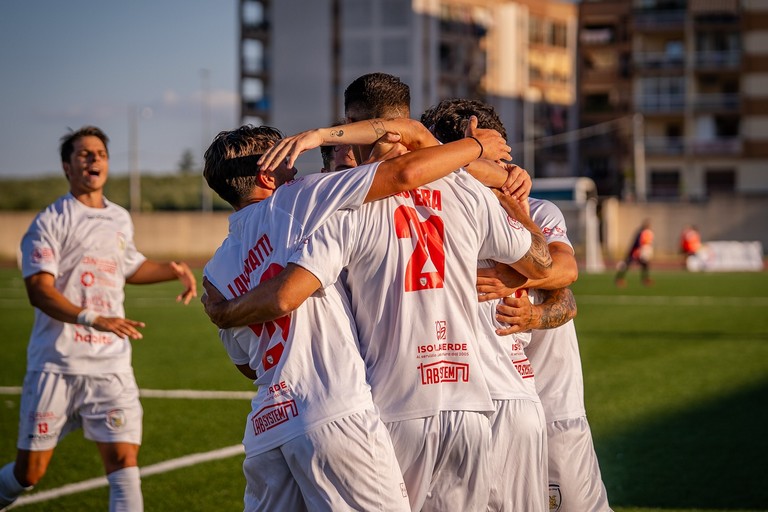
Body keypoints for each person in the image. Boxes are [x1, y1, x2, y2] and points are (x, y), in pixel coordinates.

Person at [202, 73, 553, 512]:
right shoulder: (325, 199)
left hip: (336, 412)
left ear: (355, 123)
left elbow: (250, 358)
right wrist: (499, 180)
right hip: (459, 403)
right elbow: (543, 263)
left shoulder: (218, 271)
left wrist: (226, 312)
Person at [0, 126, 197, 512]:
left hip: (110, 366)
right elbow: (39, 291)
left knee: (124, 463)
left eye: (100, 154)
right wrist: (94, 318)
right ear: (66, 166)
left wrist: (173, 269)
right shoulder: (49, 222)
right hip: (57, 365)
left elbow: (129, 266)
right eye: (84, 154)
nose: (94, 160)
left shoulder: (120, 219)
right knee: (30, 474)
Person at [427, 97, 580, 511]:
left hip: (536, 401)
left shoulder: (532, 210)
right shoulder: (426, 207)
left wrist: (522, 274)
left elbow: (564, 277)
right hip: (464, 399)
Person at [615, 218, 654, 287]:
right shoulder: (641, 233)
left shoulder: (647, 233)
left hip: (640, 252)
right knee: (627, 264)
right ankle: (619, 279)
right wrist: (637, 251)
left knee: (645, 265)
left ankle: (645, 279)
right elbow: (637, 243)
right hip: (635, 252)